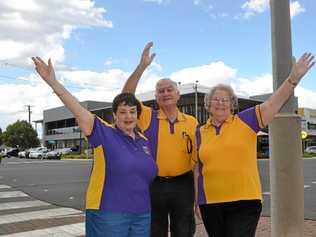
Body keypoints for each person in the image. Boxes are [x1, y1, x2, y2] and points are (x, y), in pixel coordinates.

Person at [32, 57, 158, 237]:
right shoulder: (103, 132)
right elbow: (75, 107)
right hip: (108, 213)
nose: (128, 116)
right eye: (122, 112)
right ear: (114, 115)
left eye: (132, 112)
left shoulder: (143, 141)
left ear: (138, 115)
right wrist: (53, 82)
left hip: (142, 214)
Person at [195, 53, 314, 237]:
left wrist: (293, 79)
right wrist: (196, 198)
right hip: (210, 202)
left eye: (225, 99)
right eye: (215, 99)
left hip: (245, 201)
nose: (220, 103)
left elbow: (274, 103)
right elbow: (197, 169)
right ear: (208, 105)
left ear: (232, 105)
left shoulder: (247, 120)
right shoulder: (199, 132)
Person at [122, 42, 198, 237]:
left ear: (178, 94)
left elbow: (199, 161)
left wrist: (199, 194)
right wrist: (142, 67)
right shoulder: (148, 116)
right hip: (153, 184)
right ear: (156, 96)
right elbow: (125, 96)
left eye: (169, 89)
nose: (165, 93)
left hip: (184, 184)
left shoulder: (192, 122)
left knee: (184, 230)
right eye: (161, 91)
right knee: (155, 231)